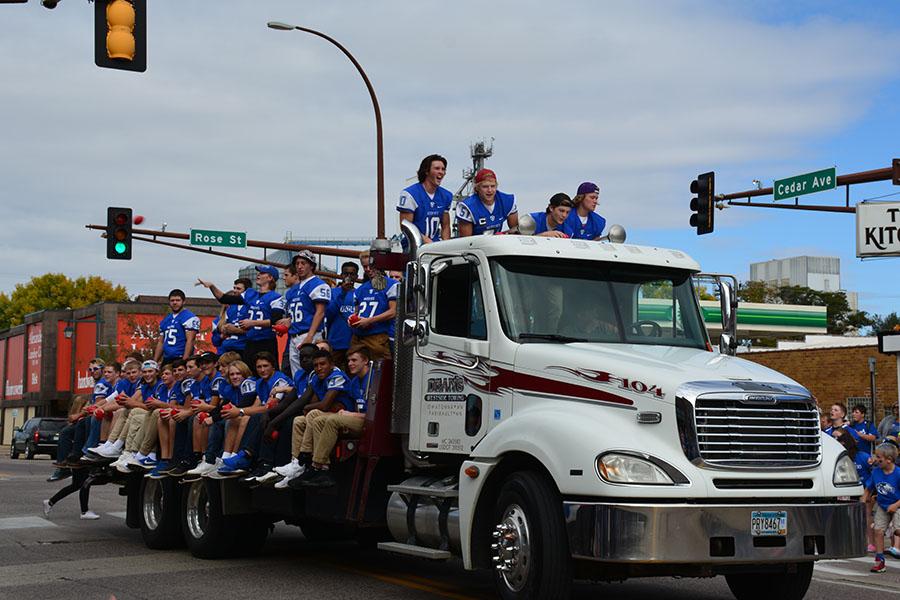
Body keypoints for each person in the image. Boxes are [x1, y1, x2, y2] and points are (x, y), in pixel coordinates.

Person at [275, 349, 354, 488]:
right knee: (299, 420)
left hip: (344, 414)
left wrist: (308, 408)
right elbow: (312, 401)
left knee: (313, 414)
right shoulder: (316, 377)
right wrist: (308, 407)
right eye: (316, 365)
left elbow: (325, 404)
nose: (319, 368)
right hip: (327, 413)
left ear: (331, 364)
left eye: (322, 364)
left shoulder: (337, 375)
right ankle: (296, 464)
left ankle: (307, 459)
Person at [297, 346, 372, 488]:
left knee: (332, 419)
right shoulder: (355, 381)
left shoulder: (375, 377)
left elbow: (377, 412)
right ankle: (314, 466)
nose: (350, 364)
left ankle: (315, 465)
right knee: (317, 419)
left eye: (354, 360)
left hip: (370, 422)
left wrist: (351, 414)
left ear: (366, 361)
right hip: (355, 418)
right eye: (348, 360)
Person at [198, 267, 285, 375]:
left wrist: (253, 323)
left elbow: (275, 320)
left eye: (262, 273)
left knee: (268, 373)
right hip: (250, 342)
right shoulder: (250, 294)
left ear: (270, 278)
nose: (258, 275)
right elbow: (224, 299)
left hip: (266, 342)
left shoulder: (276, 297)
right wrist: (212, 286)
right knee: (248, 374)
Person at [281, 251, 330, 375]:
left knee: (313, 372)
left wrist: (309, 337)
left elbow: (320, 312)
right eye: (297, 263)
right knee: (297, 375)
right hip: (294, 336)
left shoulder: (318, 285)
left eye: (303, 263)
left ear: (311, 265)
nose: (299, 266)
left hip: (309, 333)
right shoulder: (293, 290)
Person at [350, 252, 398, 361]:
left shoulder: (391, 284)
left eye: (371, 266)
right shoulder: (361, 289)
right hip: (358, 336)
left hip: (378, 336)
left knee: (379, 372)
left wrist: (369, 320)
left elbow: (393, 312)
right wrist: (352, 319)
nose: (367, 269)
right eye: (364, 266)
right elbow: (356, 313)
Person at [397, 154, 453, 243]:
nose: (441, 172)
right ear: (426, 171)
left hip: (435, 245)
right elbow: (406, 226)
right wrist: (426, 241)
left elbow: (445, 226)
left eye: (443, 169)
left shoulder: (446, 195)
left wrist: (445, 244)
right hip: (414, 246)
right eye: (437, 168)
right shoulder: (410, 194)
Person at [867, 442, 900, 573]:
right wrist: (865, 498)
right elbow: (869, 488)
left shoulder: (898, 473)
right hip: (882, 505)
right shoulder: (876, 472)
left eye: (879, 457)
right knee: (878, 530)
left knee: (898, 531)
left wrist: (895, 505)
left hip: (897, 503)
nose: (876, 460)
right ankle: (880, 561)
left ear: (889, 459)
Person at [455, 168, 518, 236]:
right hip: (475, 244)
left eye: (493, 186)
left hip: (497, 242)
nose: (490, 190)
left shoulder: (507, 201)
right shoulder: (468, 206)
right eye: (485, 187)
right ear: (477, 188)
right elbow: (466, 241)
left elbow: (515, 230)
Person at [42, 465, 110, 521]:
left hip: (77, 461)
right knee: (85, 483)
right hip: (82, 460)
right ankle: (84, 511)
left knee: (76, 485)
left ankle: (50, 502)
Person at [327, 261, 359, 371]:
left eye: (352, 274)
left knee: (352, 375)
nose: (349, 277)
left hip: (353, 344)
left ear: (356, 276)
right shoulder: (333, 292)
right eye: (346, 274)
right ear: (341, 275)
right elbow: (328, 314)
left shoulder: (360, 293)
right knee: (333, 373)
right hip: (335, 343)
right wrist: (343, 293)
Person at [154, 289, 200, 363]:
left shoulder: (189, 317)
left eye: (178, 300)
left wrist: (185, 361)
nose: (175, 302)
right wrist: (155, 361)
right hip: (167, 358)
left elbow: (190, 340)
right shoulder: (166, 320)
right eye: (172, 300)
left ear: (183, 301)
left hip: (180, 357)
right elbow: (161, 342)